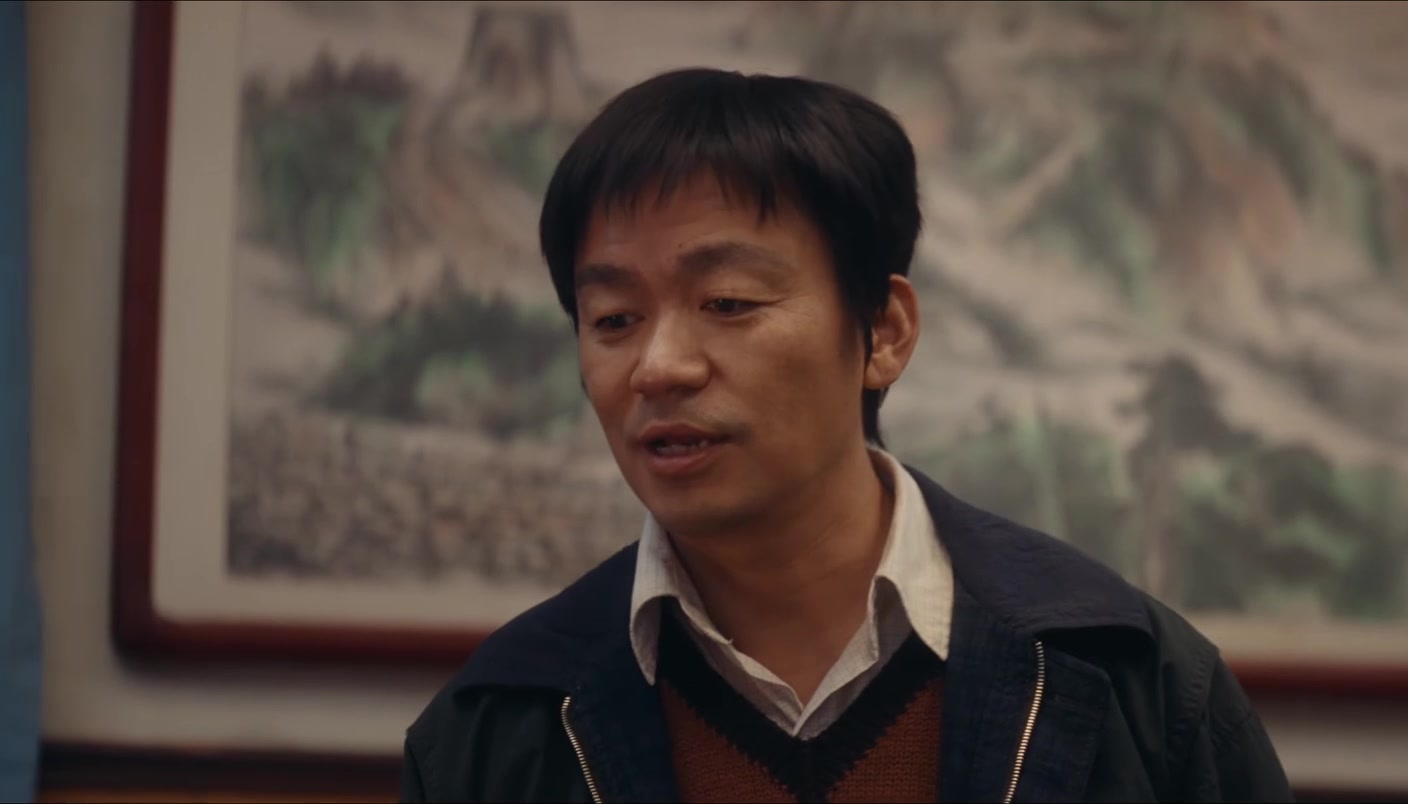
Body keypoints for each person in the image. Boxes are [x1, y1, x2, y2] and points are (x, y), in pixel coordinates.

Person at [401, 67, 1293, 803]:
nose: (659, 367)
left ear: (884, 331)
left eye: (727, 303)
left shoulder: (1129, 681)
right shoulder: (498, 729)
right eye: (614, 320)